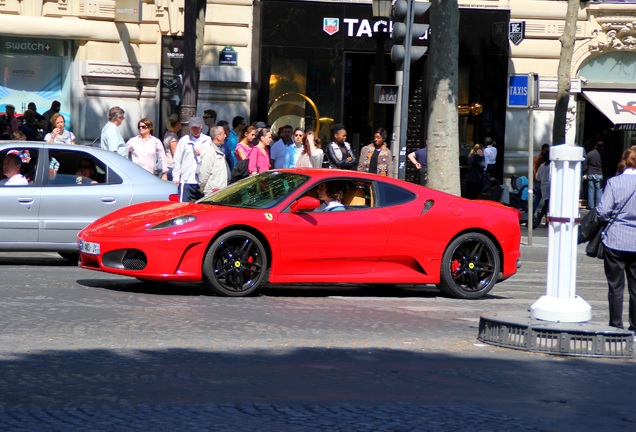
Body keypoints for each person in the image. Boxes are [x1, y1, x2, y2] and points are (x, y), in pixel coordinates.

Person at [597, 147, 636, 331]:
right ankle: (635, 326)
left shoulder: (614, 183)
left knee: (615, 287)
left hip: (615, 240)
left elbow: (603, 212)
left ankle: (616, 325)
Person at [172, 116, 211, 202]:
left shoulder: (207, 140)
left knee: (201, 207)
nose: (195, 130)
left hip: (201, 181)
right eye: (193, 127)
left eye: (196, 127)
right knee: (182, 206)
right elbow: (177, 160)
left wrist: (201, 152)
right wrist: (176, 177)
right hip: (186, 180)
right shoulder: (184, 141)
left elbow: (211, 158)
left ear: (201, 126)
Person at [198, 126, 229, 196]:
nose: (225, 136)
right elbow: (204, 171)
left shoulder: (219, 150)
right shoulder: (210, 151)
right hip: (213, 192)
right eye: (223, 134)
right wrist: (202, 187)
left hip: (220, 191)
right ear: (218, 136)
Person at [584, 139, 605, 210]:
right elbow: (607, 165)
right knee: (599, 190)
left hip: (590, 173)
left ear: (595, 145)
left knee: (591, 190)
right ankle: (598, 206)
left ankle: (591, 206)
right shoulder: (603, 154)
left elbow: (585, 165)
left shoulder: (589, 154)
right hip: (599, 173)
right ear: (602, 146)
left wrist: (585, 173)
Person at [163, 113, 181, 181]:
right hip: (171, 166)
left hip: (168, 165)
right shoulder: (172, 138)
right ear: (177, 123)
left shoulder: (168, 134)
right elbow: (175, 154)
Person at [533, 143, 550, 212]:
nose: (546, 153)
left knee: (539, 200)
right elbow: (535, 171)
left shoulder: (542, 159)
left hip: (541, 181)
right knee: (542, 201)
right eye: (545, 151)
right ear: (542, 150)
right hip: (539, 182)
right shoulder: (539, 159)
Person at [534, 158, 550, 228]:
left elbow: (537, 177)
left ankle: (545, 219)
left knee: (547, 204)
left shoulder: (542, 166)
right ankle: (540, 217)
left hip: (543, 186)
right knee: (548, 205)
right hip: (550, 186)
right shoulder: (553, 165)